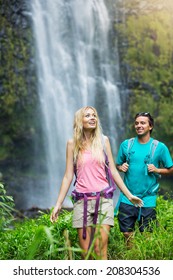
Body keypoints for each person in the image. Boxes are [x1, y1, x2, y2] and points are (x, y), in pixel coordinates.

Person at [50, 106, 143, 259]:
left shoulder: (103, 141)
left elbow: (113, 171)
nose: (92, 118)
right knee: (87, 254)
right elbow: (68, 176)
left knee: (100, 250)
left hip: (103, 200)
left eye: (94, 115)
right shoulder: (72, 144)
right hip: (82, 201)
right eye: (88, 115)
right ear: (80, 120)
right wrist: (58, 204)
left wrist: (129, 195)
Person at [116, 112, 173, 248]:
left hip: (148, 197)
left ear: (150, 126)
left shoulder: (159, 147)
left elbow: (170, 168)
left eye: (143, 123)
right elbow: (117, 165)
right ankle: (132, 252)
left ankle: (144, 257)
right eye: (137, 123)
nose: (139, 126)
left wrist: (157, 170)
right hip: (128, 196)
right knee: (126, 232)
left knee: (147, 232)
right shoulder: (126, 145)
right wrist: (121, 166)